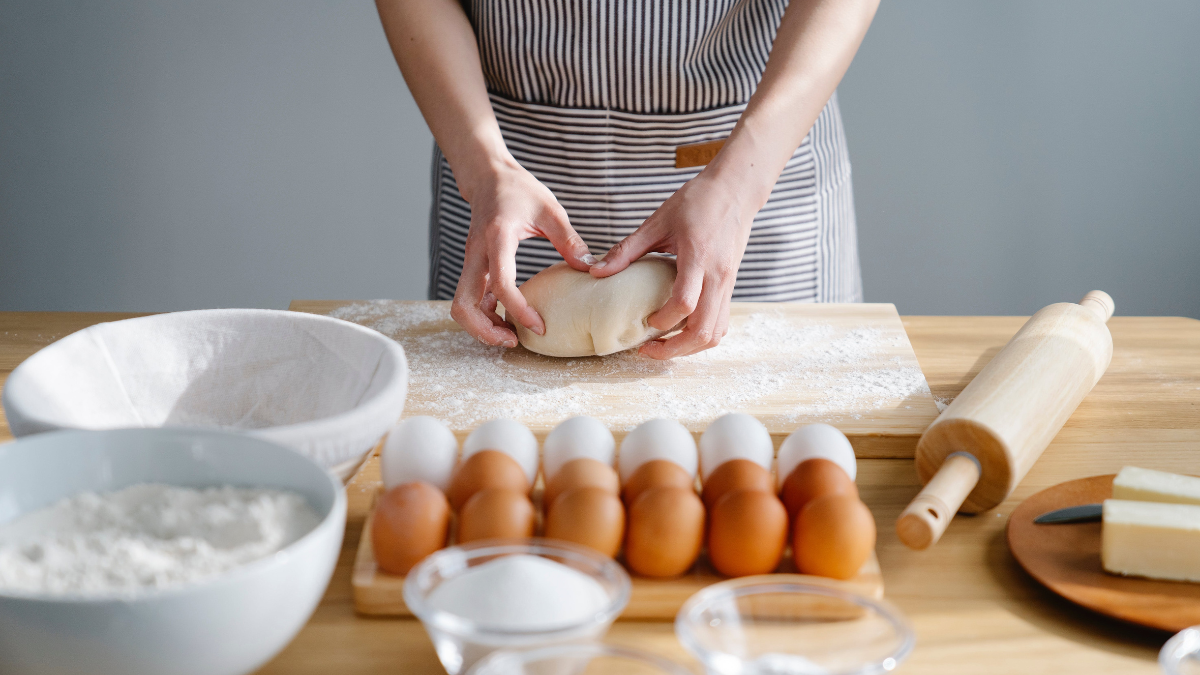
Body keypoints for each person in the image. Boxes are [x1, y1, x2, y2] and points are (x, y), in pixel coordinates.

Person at [377, 0, 879, 359]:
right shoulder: (492, 171)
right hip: (507, 173)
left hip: (749, 159)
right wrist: (486, 168)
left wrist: (739, 185)